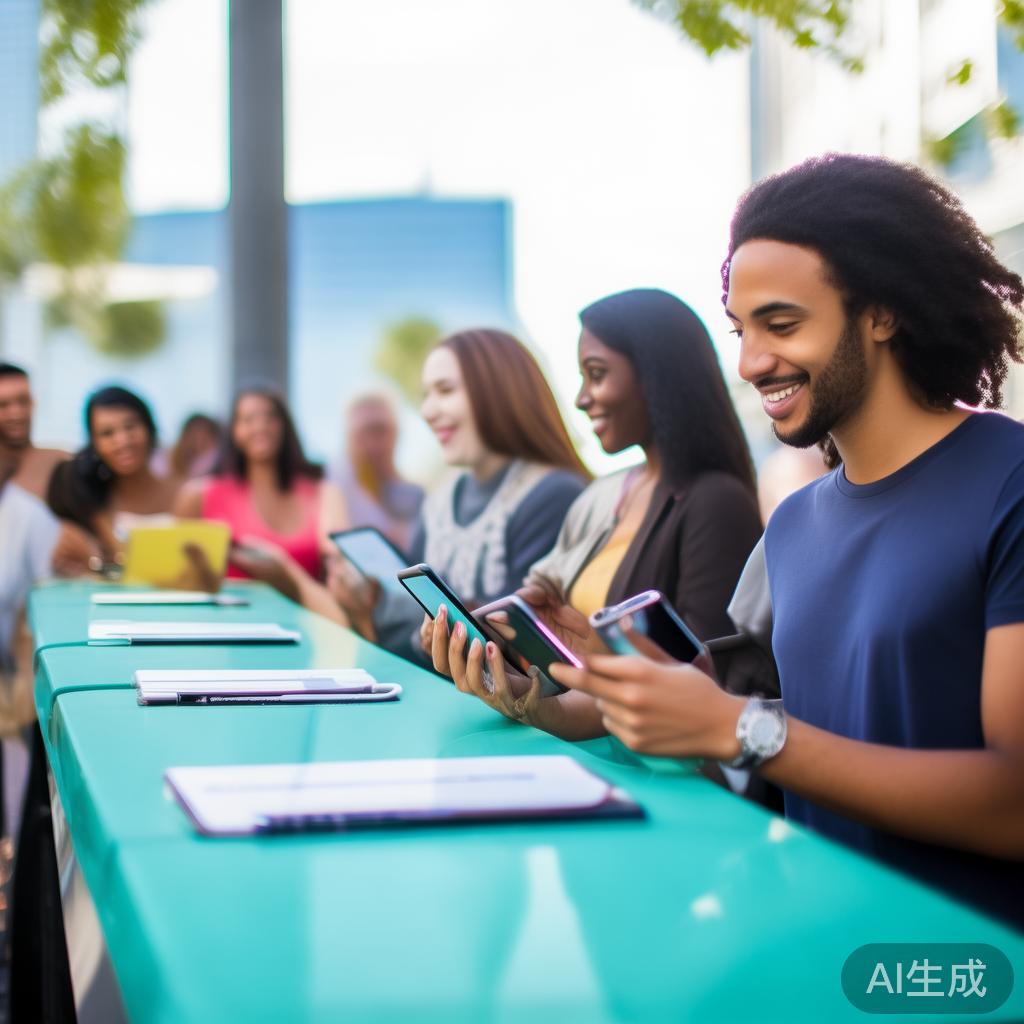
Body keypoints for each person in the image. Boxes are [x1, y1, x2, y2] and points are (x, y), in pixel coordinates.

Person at [552, 154, 1024, 929]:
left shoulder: (1010, 485)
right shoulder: (794, 528)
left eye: (782, 324)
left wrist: (738, 729)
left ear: (881, 313)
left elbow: (1015, 804)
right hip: (812, 951)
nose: (751, 362)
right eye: (741, 330)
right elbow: (765, 770)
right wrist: (592, 699)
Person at [427, 289, 762, 740]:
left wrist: (546, 699)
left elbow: (699, 689)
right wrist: (508, 664)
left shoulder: (715, 502)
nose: (582, 398)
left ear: (656, 377)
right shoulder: (600, 496)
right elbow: (569, 662)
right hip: (585, 746)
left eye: (597, 375)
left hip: (648, 769)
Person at [252, 329, 590, 657]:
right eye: (426, 395)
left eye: (444, 390)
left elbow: (512, 653)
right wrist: (364, 609)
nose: (427, 411)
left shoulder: (553, 494)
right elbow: (409, 628)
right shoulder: (441, 500)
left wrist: (394, 624)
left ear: (498, 391)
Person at [174, 385, 347, 580]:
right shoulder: (199, 494)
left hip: (305, 606)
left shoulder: (323, 493)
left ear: (285, 426)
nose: (260, 426)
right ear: (233, 430)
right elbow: (181, 571)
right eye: (248, 419)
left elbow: (337, 558)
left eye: (270, 417)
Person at [46, 385, 179, 569]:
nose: (123, 442)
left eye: (130, 426)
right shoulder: (94, 503)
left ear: (149, 427)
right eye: (107, 433)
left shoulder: (185, 493)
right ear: (95, 444)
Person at [328, 393, 424, 553]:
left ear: (396, 433)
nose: (372, 443)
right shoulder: (339, 485)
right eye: (363, 433)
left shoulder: (416, 495)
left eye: (379, 430)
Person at [0, 363, 67, 501]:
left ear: (33, 403)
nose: (16, 414)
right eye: (3, 405)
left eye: (23, 401)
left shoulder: (62, 464)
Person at [152, 412, 223, 480]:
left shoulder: (209, 468)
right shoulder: (159, 461)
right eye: (195, 436)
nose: (199, 442)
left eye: (205, 437)